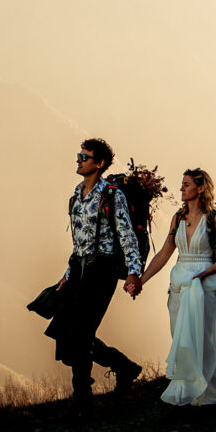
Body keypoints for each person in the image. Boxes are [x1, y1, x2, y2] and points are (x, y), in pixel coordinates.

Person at [45, 138, 144, 412]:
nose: (79, 159)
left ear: (99, 164)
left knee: (81, 331)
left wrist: (134, 274)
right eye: (79, 155)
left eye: (85, 156)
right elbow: (78, 243)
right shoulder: (76, 197)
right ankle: (124, 366)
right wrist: (68, 272)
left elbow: (127, 237)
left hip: (103, 269)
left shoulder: (112, 195)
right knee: (67, 330)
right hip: (79, 269)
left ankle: (82, 400)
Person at [131, 168, 216, 406]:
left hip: (205, 282)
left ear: (201, 188)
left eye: (186, 184)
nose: (181, 189)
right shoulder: (178, 218)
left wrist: (205, 273)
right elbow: (165, 254)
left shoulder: (214, 219)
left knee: (203, 337)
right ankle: (188, 387)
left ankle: (205, 391)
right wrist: (140, 281)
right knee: (181, 336)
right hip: (178, 283)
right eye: (182, 184)